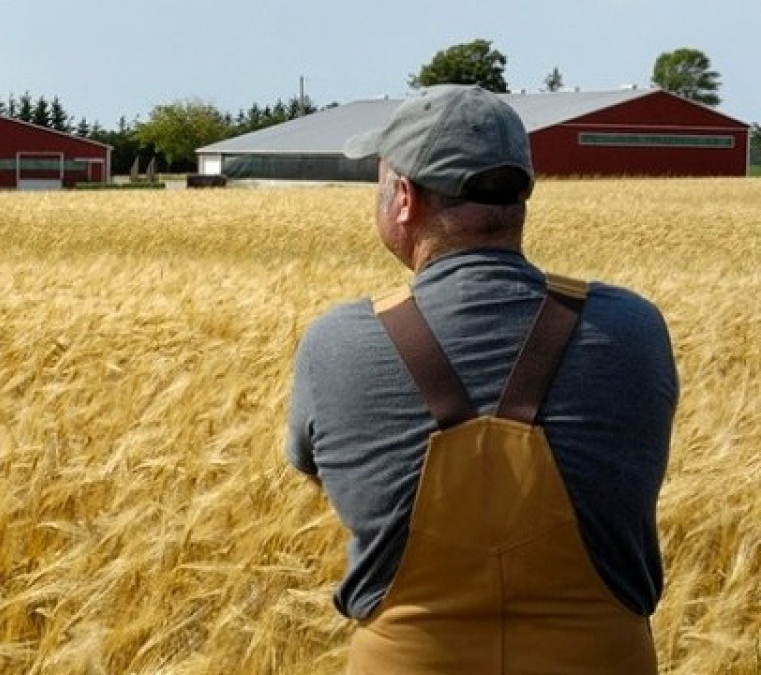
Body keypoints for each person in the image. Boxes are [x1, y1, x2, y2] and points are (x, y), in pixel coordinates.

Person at [285, 84, 678, 673]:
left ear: (404, 198)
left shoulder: (335, 345)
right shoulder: (635, 328)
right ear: (520, 192)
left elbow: (321, 472)